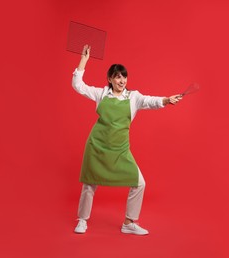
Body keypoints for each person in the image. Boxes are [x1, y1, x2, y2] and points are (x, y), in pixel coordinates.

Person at [72, 45, 182, 235]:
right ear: (110, 79)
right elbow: (78, 86)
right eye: (117, 76)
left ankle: (129, 223)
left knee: (140, 183)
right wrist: (84, 60)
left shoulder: (133, 97)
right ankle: (82, 220)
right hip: (97, 146)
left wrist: (166, 100)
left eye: (124, 76)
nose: (121, 80)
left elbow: (151, 101)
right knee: (89, 183)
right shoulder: (100, 94)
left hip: (120, 149)